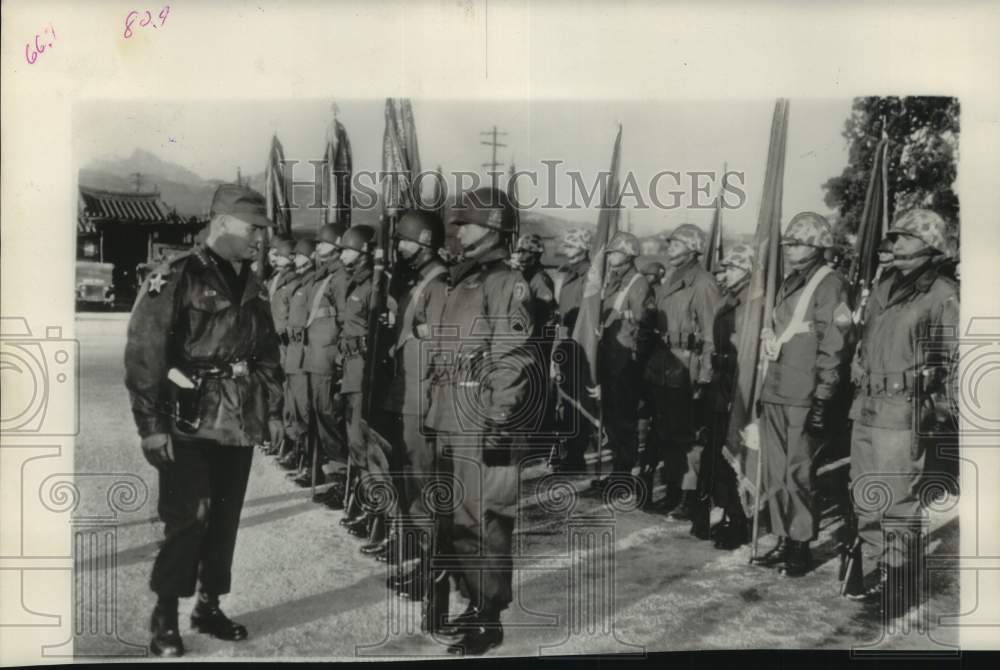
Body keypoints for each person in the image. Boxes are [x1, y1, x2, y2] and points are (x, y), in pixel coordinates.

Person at [124, 184, 283, 657]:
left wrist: (269, 408)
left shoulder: (252, 282)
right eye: (253, 228)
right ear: (222, 223)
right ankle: (166, 614)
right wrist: (150, 426)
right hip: (185, 419)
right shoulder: (176, 276)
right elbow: (145, 356)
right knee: (188, 518)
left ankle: (209, 605)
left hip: (237, 420)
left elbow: (269, 354)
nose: (260, 238)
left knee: (224, 518)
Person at [423, 186, 537, 655]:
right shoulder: (459, 277)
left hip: (484, 417)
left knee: (487, 519)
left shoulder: (505, 283)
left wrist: (499, 419)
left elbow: (511, 359)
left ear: (492, 227)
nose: (459, 229)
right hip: (450, 412)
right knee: (457, 519)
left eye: (467, 222)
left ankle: (488, 620)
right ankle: (473, 600)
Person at [844, 209, 958, 610]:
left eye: (907, 238)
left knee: (896, 498)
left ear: (931, 245)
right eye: (895, 238)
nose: (896, 244)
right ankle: (873, 568)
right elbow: (867, 337)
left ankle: (898, 577)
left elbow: (954, 359)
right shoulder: (884, 286)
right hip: (867, 405)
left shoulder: (942, 294)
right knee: (865, 494)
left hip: (902, 408)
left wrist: (942, 411)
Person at [753, 211, 851, 577]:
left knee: (798, 473)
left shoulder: (831, 284)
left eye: (796, 243)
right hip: (777, 389)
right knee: (776, 472)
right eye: (789, 243)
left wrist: (824, 397)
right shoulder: (791, 281)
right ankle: (781, 536)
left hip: (804, 393)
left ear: (816, 246)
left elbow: (836, 345)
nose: (789, 249)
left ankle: (799, 545)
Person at [379, 209, 450, 589]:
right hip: (407, 394)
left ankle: (433, 569)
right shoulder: (418, 280)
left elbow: (444, 348)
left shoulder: (438, 284)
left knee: (424, 486)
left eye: (405, 241)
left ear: (424, 241)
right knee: (410, 482)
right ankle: (424, 557)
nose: (400, 248)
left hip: (422, 399)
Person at [642, 224, 720, 518]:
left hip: (688, 367)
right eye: (670, 243)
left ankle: (690, 496)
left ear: (692, 248)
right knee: (666, 432)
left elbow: (713, 334)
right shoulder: (669, 279)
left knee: (688, 435)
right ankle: (674, 489)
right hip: (663, 364)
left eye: (676, 243)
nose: (670, 247)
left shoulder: (703, 283)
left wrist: (705, 376)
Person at [589, 231, 655, 492]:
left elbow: (645, 326)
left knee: (624, 422)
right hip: (609, 358)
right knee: (612, 420)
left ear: (628, 256)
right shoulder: (611, 281)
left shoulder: (637, 283)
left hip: (626, 363)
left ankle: (623, 476)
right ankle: (616, 471)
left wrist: (635, 362)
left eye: (615, 253)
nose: (611, 257)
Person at [699, 244, 754, 549]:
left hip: (738, 386)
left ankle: (740, 519)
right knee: (718, 452)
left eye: (732, 268)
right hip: (720, 385)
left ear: (747, 269)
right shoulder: (728, 299)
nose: (725, 273)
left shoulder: (751, 304)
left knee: (736, 455)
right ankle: (729, 513)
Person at [303, 225, 349, 502]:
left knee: (330, 419)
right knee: (320, 417)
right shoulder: (325, 276)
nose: (318, 248)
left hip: (327, 358)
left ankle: (340, 480)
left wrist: (340, 356)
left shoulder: (340, 278)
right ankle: (329, 475)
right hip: (315, 355)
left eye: (323, 244)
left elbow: (346, 320)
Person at [550, 228, 593, 472]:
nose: (566, 249)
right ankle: (569, 451)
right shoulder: (567, 273)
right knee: (565, 397)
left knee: (577, 400)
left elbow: (586, 312)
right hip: (566, 338)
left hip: (580, 341)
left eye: (571, 245)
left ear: (583, 248)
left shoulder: (589, 275)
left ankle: (576, 455)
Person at [279, 239, 317, 478]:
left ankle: (310, 459)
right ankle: (298, 451)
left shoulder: (312, 283)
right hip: (293, 350)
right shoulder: (300, 282)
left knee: (305, 409)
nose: (295, 258)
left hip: (304, 351)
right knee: (292, 405)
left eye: (300, 255)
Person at [264, 236, 296, 457]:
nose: (273, 257)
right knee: (273, 390)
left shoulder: (292, 280)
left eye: (278, 253)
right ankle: (275, 438)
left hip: (283, 343)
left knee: (285, 391)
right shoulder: (274, 278)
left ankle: (287, 441)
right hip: (270, 342)